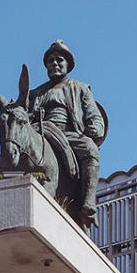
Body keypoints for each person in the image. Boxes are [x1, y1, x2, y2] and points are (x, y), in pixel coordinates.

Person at [28, 40, 104, 224]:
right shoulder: (35, 94)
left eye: (59, 60)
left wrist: (93, 128)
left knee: (90, 149)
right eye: (50, 61)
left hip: (69, 135)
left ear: (67, 65)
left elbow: (95, 117)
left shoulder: (79, 88)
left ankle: (87, 203)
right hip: (40, 133)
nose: (54, 63)